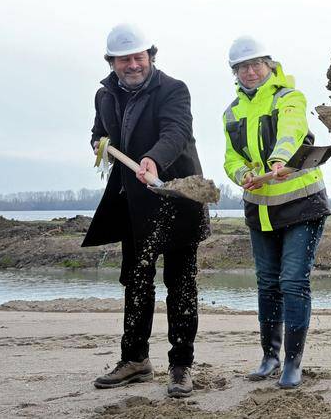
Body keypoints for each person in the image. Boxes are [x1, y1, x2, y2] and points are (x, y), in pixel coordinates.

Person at [85, 23, 209, 398]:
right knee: (136, 283)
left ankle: (181, 366)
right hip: (133, 207)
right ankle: (135, 359)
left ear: (150, 56)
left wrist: (153, 158)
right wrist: (99, 143)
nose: (133, 65)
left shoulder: (173, 89)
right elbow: (98, 132)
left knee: (180, 286)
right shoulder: (105, 96)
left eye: (139, 57)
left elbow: (176, 132)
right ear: (112, 62)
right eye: (125, 59)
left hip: (175, 199)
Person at [221, 36, 330, 389]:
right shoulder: (231, 113)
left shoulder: (289, 97)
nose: (250, 72)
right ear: (235, 72)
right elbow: (231, 158)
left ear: (269, 65)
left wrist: (280, 159)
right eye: (242, 67)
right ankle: (269, 356)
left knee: (293, 282)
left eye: (256, 64)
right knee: (267, 284)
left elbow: (292, 130)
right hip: (261, 211)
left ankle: (293, 363)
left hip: (301, 204)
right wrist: (242, 174)